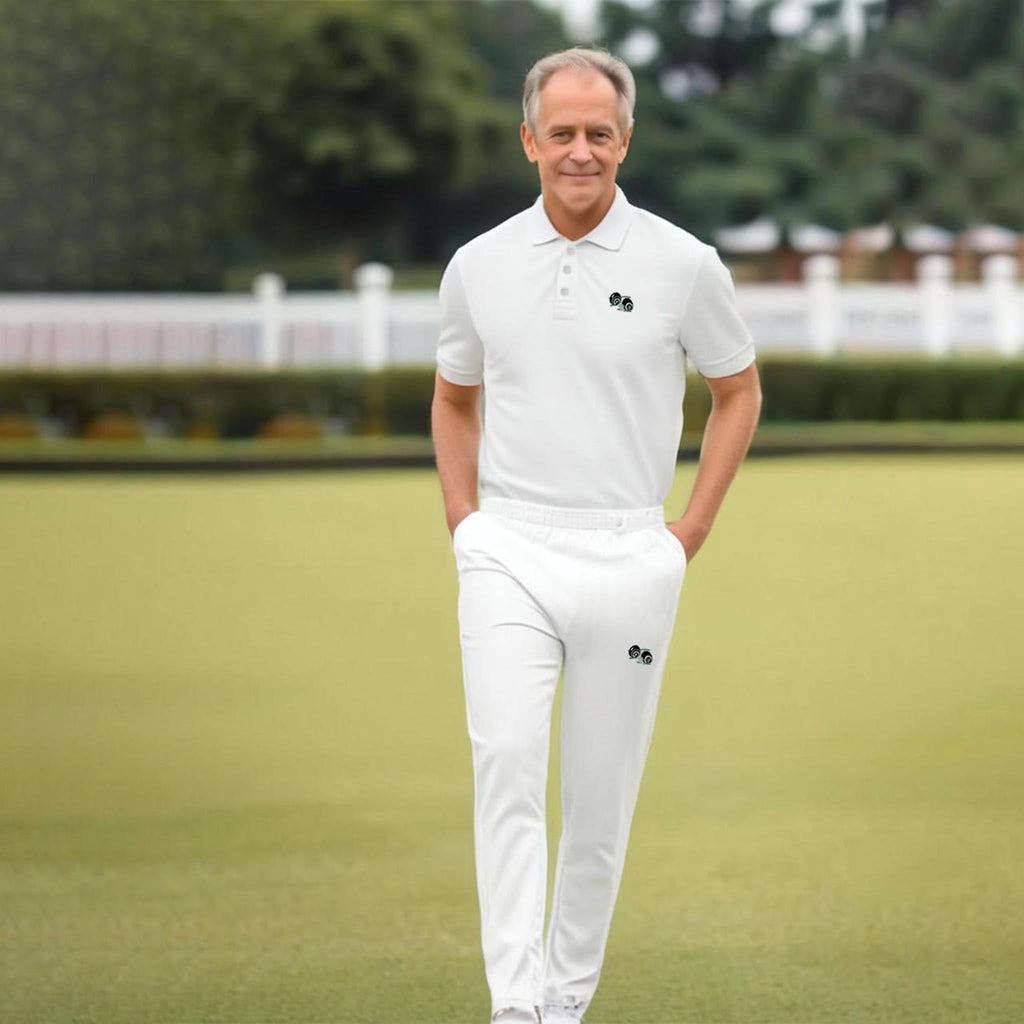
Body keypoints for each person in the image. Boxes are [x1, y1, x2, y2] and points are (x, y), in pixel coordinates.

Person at [431, 45, 762, 1024]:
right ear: (529, 139)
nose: (581, 151)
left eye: (599, 133)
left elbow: (736, 391)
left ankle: (563, 1003)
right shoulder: (477, 266)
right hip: (509, 551)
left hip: (629, 555)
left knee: (598, 803)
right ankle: (516, 1003)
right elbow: (453, 400)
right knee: (505, 768)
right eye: (562, 133)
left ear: (626, 139)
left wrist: (687, 530)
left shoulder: (682, 263)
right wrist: (465, 524)